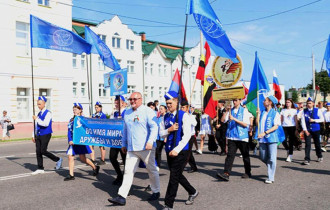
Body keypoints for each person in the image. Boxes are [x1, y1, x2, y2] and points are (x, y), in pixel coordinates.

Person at [108, 92, 160, 206]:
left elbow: (154, 127)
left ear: (141, 99)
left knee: (151, 170)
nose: (132, 101)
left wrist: (150, 141)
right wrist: (123, 143)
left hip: (146, 147)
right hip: (132, 148)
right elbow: (125, 130)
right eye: (130, 99)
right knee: (128, 171)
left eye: (134, 99)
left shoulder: (148, 111)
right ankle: (122, 196)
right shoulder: (127, 113)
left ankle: (156, 191)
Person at [160, 91, 198, 210]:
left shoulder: (183, 115)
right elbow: (161, 133)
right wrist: (169, 130)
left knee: (173, 178)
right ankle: (192, 191)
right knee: (176, 174)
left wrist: (177, 149)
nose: (168, 105)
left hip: (181, 151)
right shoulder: (165, 116)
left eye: (170, 103)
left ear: (176, 102)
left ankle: (168, 204)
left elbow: (187, 136)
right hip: (169, 150)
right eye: (167, 103)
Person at [217, 98, 252, 181]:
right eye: (233, 101)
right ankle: (226, 173)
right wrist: (226, 112)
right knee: (230, 155)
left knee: (245, 156)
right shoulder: (230, 111)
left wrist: (234, 119)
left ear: (240, 101)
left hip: (242, 137)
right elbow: (222, 121)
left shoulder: (244, 111)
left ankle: (248, 172)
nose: (234, 102)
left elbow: (245, 124)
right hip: (232, 136)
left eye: (236, 100)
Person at [64, 103, 100, 181]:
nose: (74, 111)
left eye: (76, 109)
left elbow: (87, 130)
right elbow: (69, 131)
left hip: (80, 141)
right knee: (70, 156)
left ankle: (95, 167)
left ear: (80, 110)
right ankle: (71, 175)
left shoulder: (83, 119)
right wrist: (70, 139)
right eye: (73, 109)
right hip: (73, 142)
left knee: (82, 158)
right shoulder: (71, 120)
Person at [31, 96, 62, 175]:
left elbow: (45, 124)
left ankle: (58, 159)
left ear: (44, 104)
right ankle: (40, 168)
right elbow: (36, 125)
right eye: (37, 104)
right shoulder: (38, 113)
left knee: (43, 151)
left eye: (40, 104)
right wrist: (33, 134)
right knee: (38, 151)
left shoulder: (48, 113)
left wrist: (36, 119)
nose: (38, 106)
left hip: (46, 134)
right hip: (38, 134)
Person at [256, 95, 283, 184]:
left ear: (270, 102)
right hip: (262, 138)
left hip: (271, 138)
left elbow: (276, 126)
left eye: (265, 100)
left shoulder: (275, 113)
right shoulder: (263, 112)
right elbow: (257, 124)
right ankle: (271, 166)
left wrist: (265, 133)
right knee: (262, 156)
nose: (263, 101)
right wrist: (257, 115)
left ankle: (270, 177)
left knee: (272, 157)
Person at [300, 97, 324, 165]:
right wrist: (305, 130)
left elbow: (322, 119)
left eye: (310, 103)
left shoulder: (317, 110)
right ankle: (307, 159)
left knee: (317, 144)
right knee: (307, 145)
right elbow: (302, 121)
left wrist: (314, 120)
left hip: (316, 129)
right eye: (307, 103)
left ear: (313, 104)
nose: (308, 104)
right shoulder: (304, 111)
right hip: (308, 130)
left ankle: (319, 155)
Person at [109, 95, 127, 186]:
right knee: (112, 157)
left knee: (125, 161)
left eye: (118, 101)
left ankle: (125, 179)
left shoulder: (127, 112)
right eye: (115, 101)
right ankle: (119, 175)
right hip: (115, 140)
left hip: (124, 141)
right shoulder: (115, 113)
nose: (116, 103)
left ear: (123, 103)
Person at [181, 100, 198, 173]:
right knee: (188, 152)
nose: (182, 108)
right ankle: (194, 167)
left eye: (183, 107)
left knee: (187, 152)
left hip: (190, 136)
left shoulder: (191, 116)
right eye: (181, 107)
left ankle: (182, 166)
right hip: (184, 136)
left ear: (187, 108)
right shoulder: (181, 115)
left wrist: (187, 118)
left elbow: (195, 124)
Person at [155, 102, 167, 168]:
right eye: (159, 109)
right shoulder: (159, 117)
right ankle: (158, 164)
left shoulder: (167, 116)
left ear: (165, 109)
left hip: (165, 137)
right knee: (157, 151)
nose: (160, 110)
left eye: (162, 109)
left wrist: (166, 137)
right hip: (158, 137)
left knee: (168, 151)